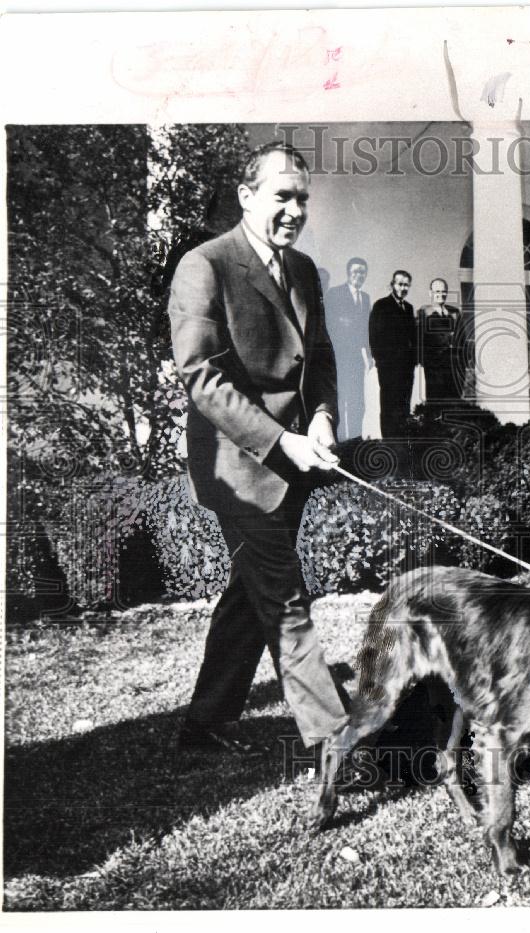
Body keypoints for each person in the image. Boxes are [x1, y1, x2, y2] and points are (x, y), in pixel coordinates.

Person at [168, 141, 349, 757]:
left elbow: (319, 356)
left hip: (296, 460)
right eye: (282, 196)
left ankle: (203, 725)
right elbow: (202, 378)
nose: (295, 210)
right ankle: (335, 742)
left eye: (302, 198)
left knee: (253, 591)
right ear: (247, 197)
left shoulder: (301, 270)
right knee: (284, 595)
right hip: (238, 468)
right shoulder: (206, 265)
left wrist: (322, 417)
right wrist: (280, 441)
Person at [324, 257, 372, 441]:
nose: (358, 276)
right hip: (337, 358)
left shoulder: (365, 298)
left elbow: (365, 329)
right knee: (338, 400)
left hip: (356, 360)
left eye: (362, 272)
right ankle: (338, 440)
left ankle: (354, 440)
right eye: (355, 271)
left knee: (357, 402)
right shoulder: (334, 294)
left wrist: (369, 355)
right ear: (348, 273)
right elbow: (328, 325)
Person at [369, 270, 417, 439]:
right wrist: (382, 362)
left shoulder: (409, 308)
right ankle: (390, 441)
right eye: (400, 284)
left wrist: (414, 360)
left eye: (406, 285)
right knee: (389, 405)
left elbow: (413, 336)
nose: (403, 288)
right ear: (392, 285)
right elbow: (374, 337)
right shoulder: (381, 306)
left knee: (404, 404)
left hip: (406, 368)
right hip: (389, 368)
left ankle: (402, 441)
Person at [416, 277, 469, 412]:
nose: (441, 294)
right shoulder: (424, 313)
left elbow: (463, 339)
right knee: (436, 407)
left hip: (456, 370)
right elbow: (419, 342)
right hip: (436, 371)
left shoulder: (455, 313)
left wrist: (464, 363)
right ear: (430, 293)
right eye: (437, 291)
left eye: (444, 291)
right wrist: (426, 363)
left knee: (455, 406)